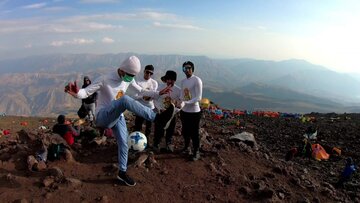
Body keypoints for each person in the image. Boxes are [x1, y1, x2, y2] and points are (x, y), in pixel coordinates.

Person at [64, 55, 175, 186]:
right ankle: (156, 118)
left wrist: (158, 93)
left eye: (133, 76)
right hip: (102, 117)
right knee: (124, 100)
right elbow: (86, 93)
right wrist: (77, 93)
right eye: (129, 75)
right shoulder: (104, 80)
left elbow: (141, 90)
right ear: (122, 70)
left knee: (124, 143)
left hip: (117, 116)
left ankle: (122, 172)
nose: (130, 78)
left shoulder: (128, 78)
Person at [153, 70, 182, 152]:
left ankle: (168, 144)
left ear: (174, 80)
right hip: (161, 112)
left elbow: (181, 102)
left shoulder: (178, 90)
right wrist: (159, 108)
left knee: (170, 129)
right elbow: (155, 99)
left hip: (173, 114)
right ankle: (156, 144)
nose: (169, 81)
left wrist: (175, 110)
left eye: (171, 79)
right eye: (168, 79)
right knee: (159, 128)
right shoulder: (160, 87)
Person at [180, 61, 203, 161]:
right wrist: (180, 103)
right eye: (185, 68)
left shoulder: (197, 80)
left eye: (189, 68)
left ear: (193, 69)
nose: (187, 70)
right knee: (185, 131)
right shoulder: (183, 81)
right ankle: (186, 147)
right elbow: (182, 95)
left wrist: (186, 103)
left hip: (194, 111)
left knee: (194, 132)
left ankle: (196, 151)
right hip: (184, 111)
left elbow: (198, 98)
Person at [133, 65, 158, 140]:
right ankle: (135, 142)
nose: (149, 74)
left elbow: (155, 95)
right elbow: (134, 96)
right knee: (138, 126)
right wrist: (143, 97)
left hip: (150, 107)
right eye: (147, 72)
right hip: (140, 107)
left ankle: (146, 142)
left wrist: (150, 96)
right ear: (144, 71)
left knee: (149, 127)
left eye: (151, 73)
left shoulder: (154, 83)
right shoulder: (138, 82)